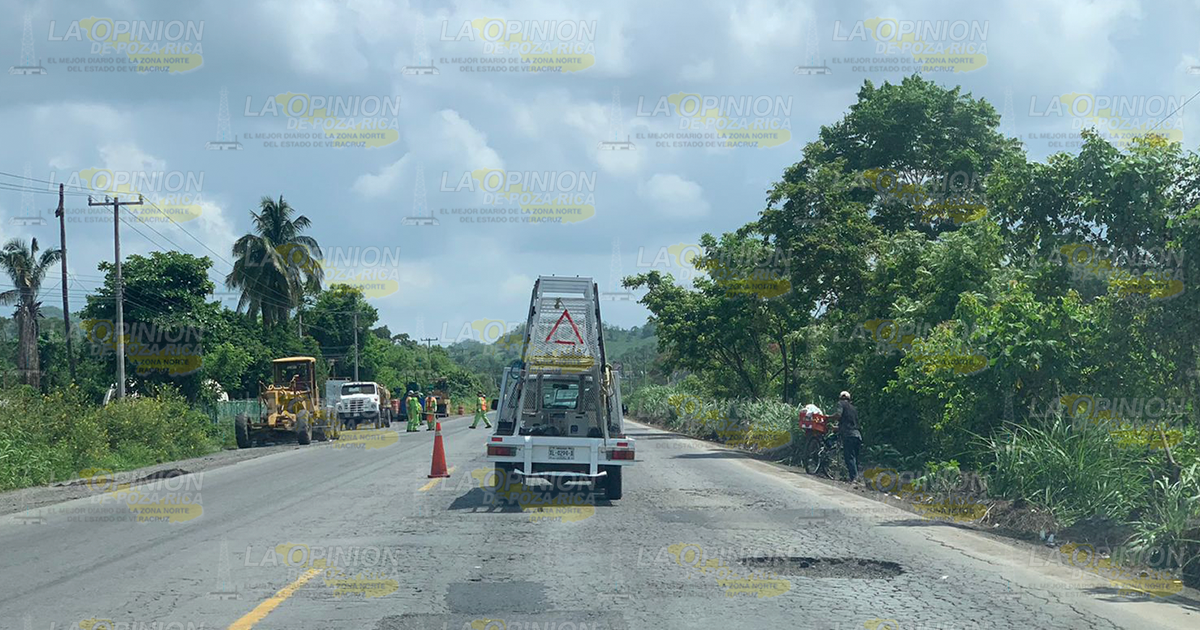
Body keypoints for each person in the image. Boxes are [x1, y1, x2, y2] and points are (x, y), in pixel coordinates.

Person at [824, 390, 861, 483]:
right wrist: (837, 428)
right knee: (855, 457)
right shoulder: (854, 409)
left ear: (840, 398)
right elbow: (850, 424)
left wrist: (828, 417)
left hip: (848, 435)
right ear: (850, 399)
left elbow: (838, 415)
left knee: (849, 457)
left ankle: (854, 479)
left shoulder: (841, 404)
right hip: (857, 435)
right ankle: (857, 477)